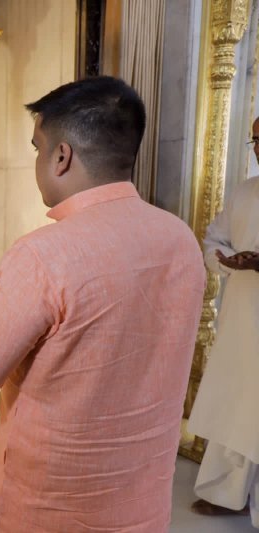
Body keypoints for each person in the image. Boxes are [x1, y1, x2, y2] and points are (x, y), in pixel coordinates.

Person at [0, 77, 205, 532]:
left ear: (62, 156)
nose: (37, 161)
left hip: (51, 508)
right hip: (139, 503)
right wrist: (9, 292)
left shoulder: (44, 254)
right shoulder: (180, 238)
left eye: (37, 148)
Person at [187, 117, 259, 526]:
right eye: (255, 140)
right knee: (239, 401)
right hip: (243, 317)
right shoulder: (245, 192)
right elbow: (213, 238)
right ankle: (230, 492)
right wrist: (229, 261)